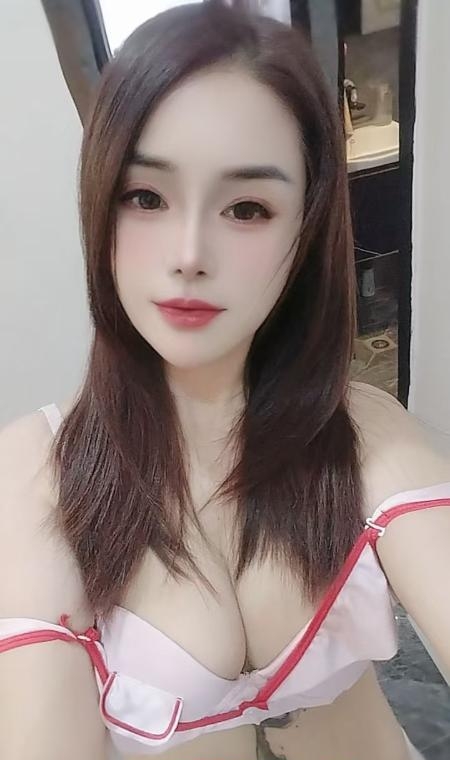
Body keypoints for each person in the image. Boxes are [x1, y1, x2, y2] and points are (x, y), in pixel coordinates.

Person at [1, 2, 449, 759]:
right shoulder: (39, 473)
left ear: (305, 229)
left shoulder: (363, 433)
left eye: (246, 208)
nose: (188, 254)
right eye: (146, 197)